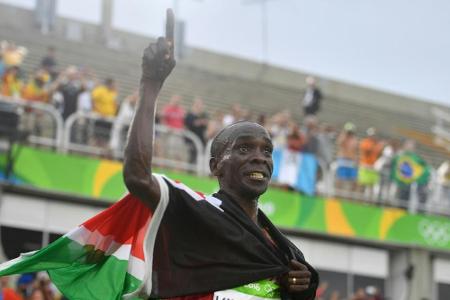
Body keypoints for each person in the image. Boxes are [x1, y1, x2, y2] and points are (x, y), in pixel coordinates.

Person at [123, 9, 318, 299]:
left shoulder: (282, 251)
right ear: (216, 166)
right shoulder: (198, 213)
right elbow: (138, 177)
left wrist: (303, 284)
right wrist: (150, 85)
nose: (259, 158)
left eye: (266, 151)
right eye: (243, 148)